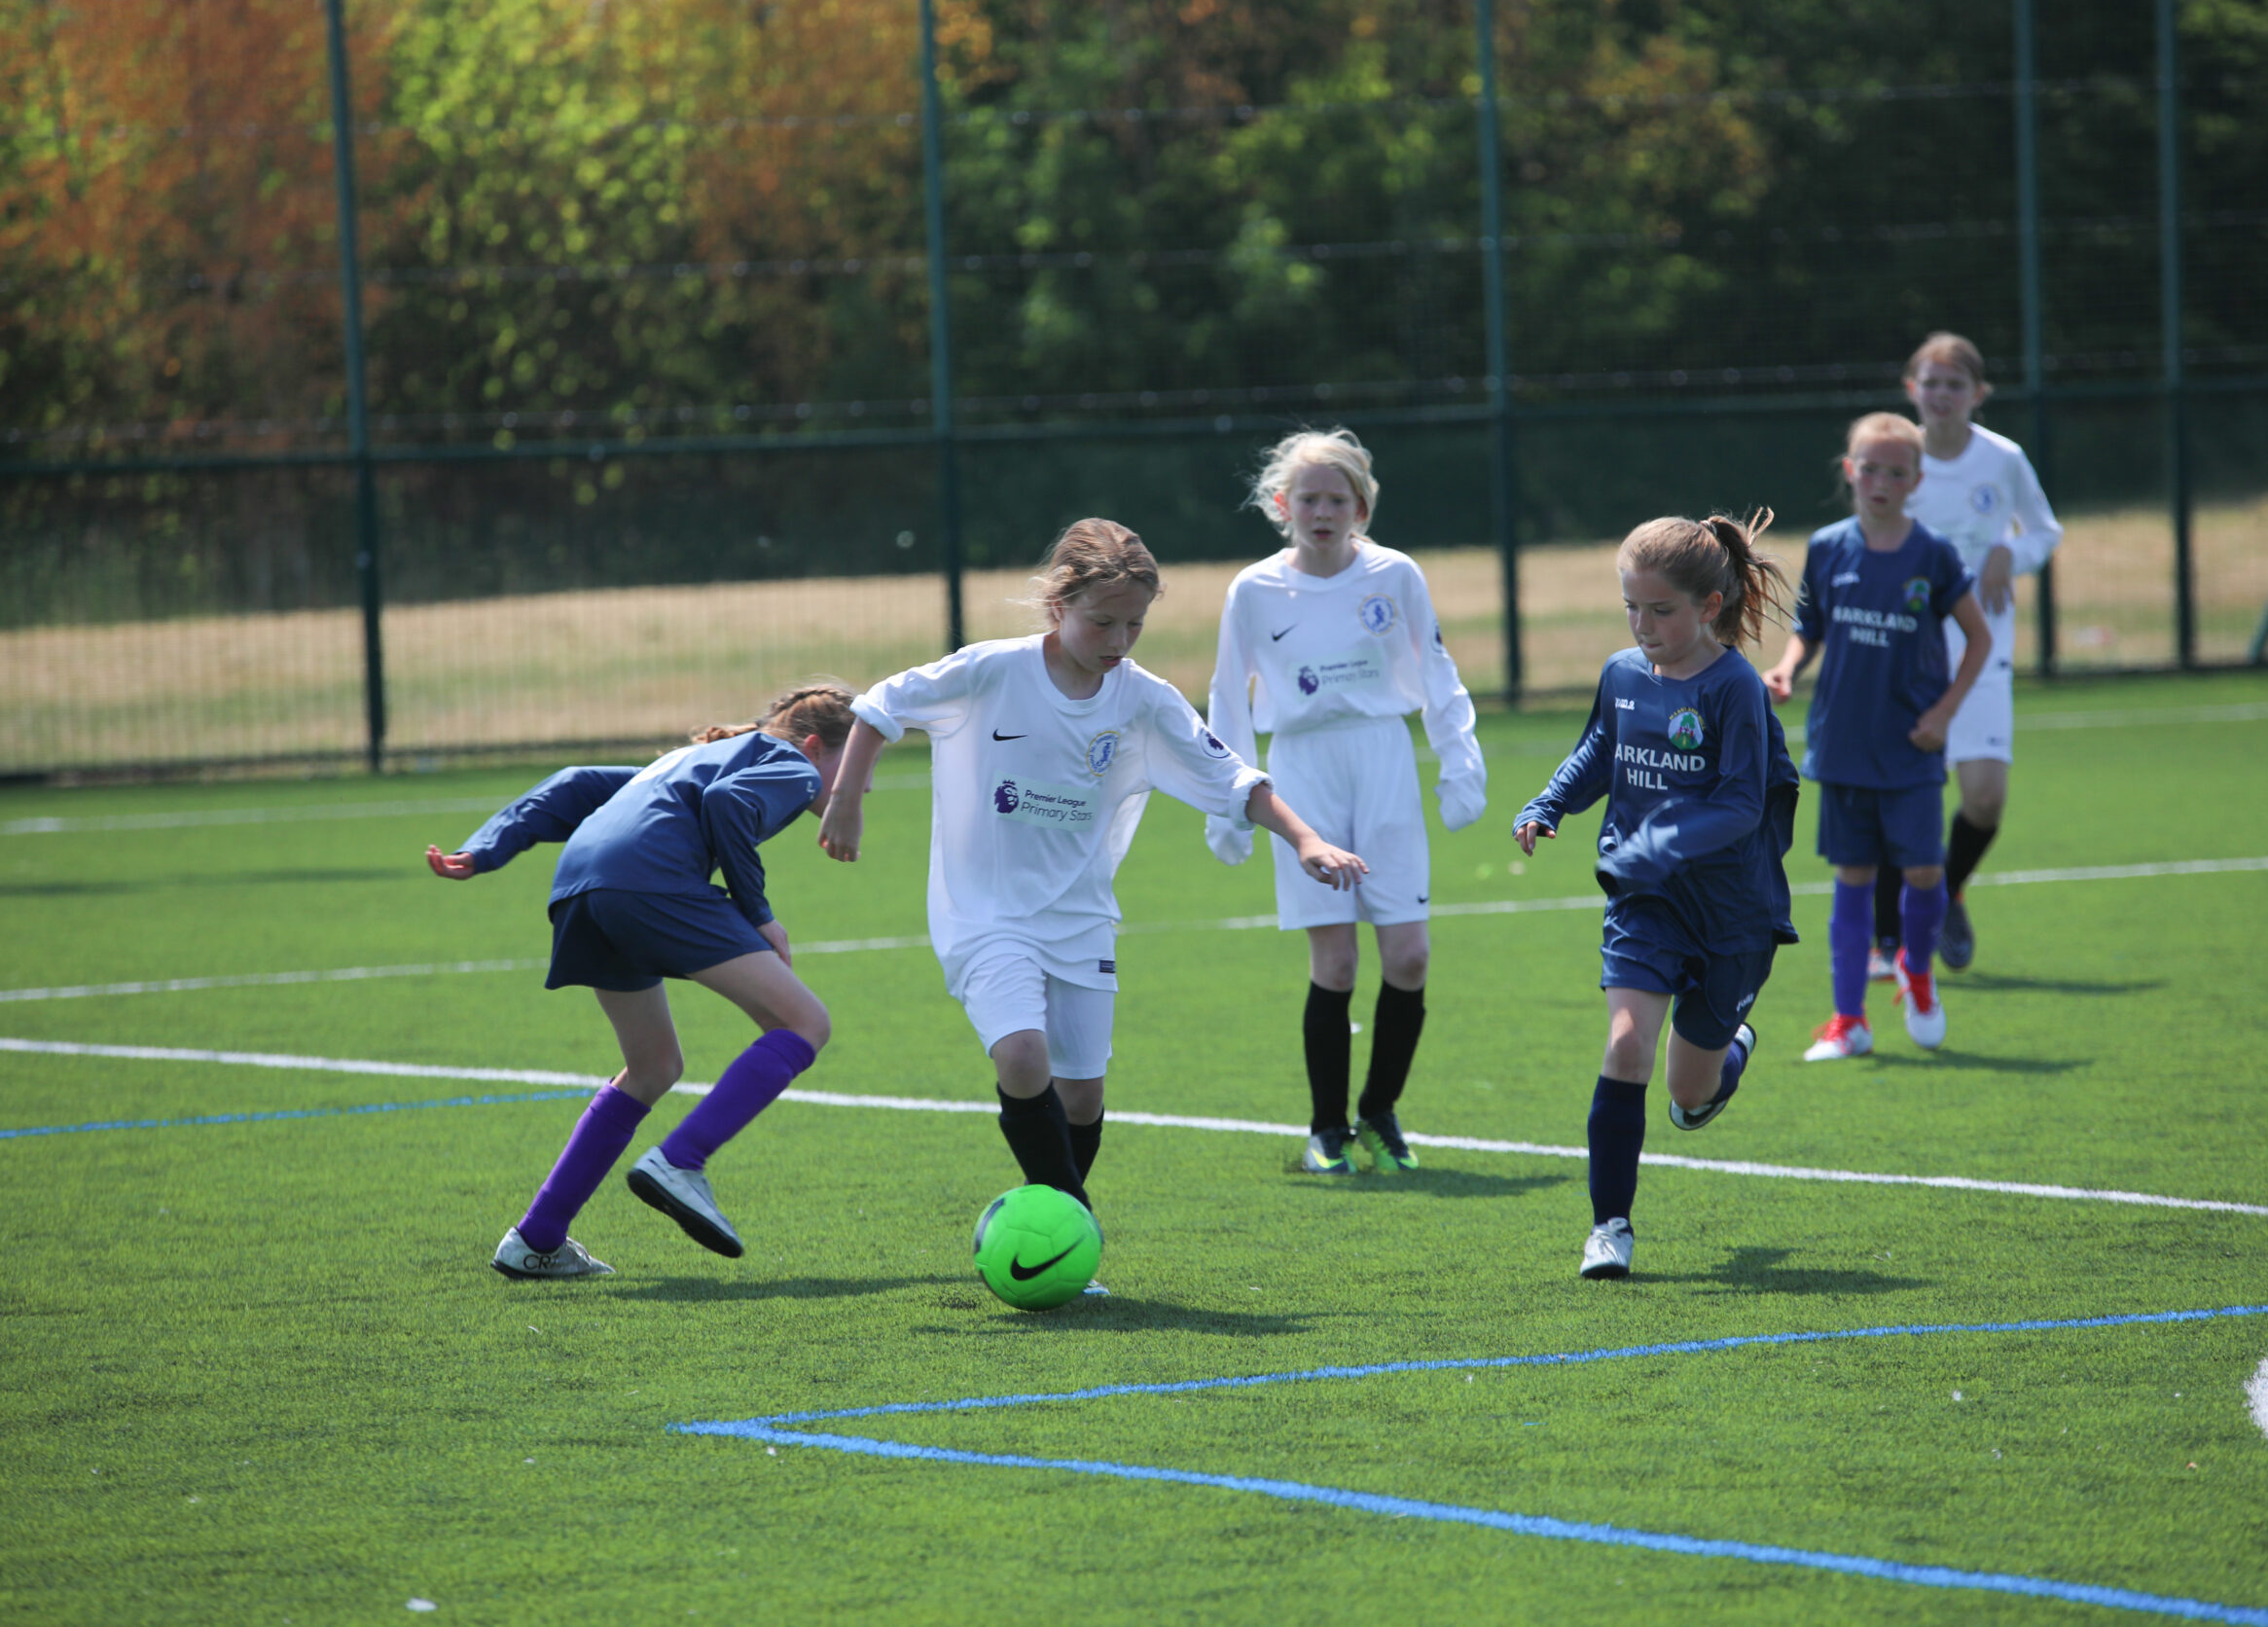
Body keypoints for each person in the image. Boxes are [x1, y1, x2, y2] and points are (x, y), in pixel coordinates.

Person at [816, 520, 1365, 1272]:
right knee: (1020, 1055)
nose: (1119, 638)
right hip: (987, 913)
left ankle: (1055, 1229)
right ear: (1057, 605)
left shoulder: (1143, 699)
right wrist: (847, 797)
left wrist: (1304, 837)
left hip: (1081, 919)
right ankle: (1074, 1238)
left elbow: (1233, 777)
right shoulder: (993, 672)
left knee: (1080, 1096)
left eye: (1134, 623)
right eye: (1102, 621)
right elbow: (881, 704)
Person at [429, 684, 856, 1280]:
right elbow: (730, 806)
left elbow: (576, 784)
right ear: (815, 745)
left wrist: (486, 848)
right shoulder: (794, 764)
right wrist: (759, 913)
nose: (862, 781)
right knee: (805, 1022)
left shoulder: (692, 758)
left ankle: (537, 1238)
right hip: (647, 880)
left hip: (580, 888)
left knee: (654, 1067)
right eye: (858, 760)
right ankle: (682, 1160)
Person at [1515, 513, 1798, 1281]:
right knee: (1625, 1045)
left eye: (1661, 610)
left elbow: (1742, 804)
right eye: (1630, 609)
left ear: (1709, 606)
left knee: (1688, 1092)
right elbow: (1599, 751)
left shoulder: (1735, 686)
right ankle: (1610, 1227)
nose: (1643, 626)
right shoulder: (1623, 673)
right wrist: (1548, 803)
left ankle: (1729, 1052)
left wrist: (1663, 840)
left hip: (1732, 911)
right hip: (1644, 898)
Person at [1206, 429, 1487, 1176]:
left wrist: (1460, 766)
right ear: (1282, 505)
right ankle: (1326, 1127)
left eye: (1337, 498)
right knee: (1334, 962)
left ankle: (1380, 1112)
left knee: (1410, 953)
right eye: (1309, 498)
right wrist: (1225, 803)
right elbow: (1227, 697)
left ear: (1361, 506)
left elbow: (1436, 671)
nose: (1322, 510)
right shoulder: (1254, 589)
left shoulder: (1394, 576)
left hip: (1381, 756)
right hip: (1301, 770)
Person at [1764, 414, 1992, 1062]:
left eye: (1897, 471)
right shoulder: (1830, 546)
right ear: (1849, 471)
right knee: (1852, 878)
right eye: (1870, 468)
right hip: (1842, 745)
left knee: (1923, 870)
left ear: (1917, 480)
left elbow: (1979, 638)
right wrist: (1786, 667)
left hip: (1912, 746)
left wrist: (1945, 713)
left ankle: (1917, 976)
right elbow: (1810, 624)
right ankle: (1848, 1020)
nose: (1881, 481)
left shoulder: (1934, 554)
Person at [1869, 332, 2065, 977]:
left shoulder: (2003, 459)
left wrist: (2015, 551)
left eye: (1956, 384)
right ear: (1911, 389)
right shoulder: (1896, 459)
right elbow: (1868, 535)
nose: (1943, 394)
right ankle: (1888, 933)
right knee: (1903, 794)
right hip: (1907, 653)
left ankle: (1946, 890)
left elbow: (2044, 528)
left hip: (1981, 651)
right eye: (1932, 382)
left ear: (1978, 394)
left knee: (1984, 799)